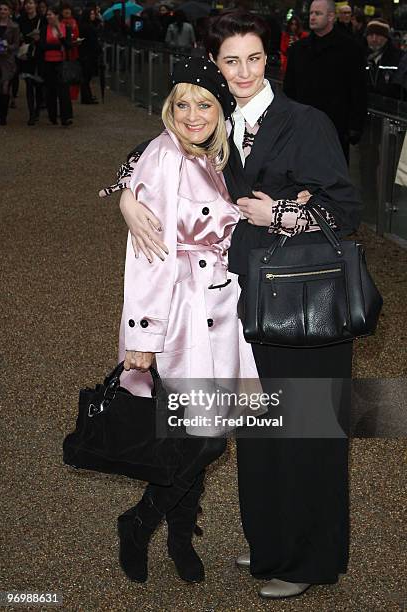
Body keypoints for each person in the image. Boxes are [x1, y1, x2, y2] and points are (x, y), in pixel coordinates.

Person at [101, 10, 362, 600]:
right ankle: (272, 543)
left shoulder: (304, 120)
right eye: (231, 61)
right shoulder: (216, 126)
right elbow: (150, 154)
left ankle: (310, 558)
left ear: (270, 60)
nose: (243, 71)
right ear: (216, 68)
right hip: (245, 310)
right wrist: (125, 197)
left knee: (309, 434)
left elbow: (345, 210)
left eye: (254, 58)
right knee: (262, 436)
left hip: (303, 311)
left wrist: (284, 216)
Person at [110, 56, 264, 586]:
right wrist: (142, 336)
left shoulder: (210, 157)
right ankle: (141, 521)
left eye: (204, 104)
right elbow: (148, 255)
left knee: (198, 431)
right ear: (168, 109)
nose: (193, 114)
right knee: (206, 437)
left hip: (217, 309)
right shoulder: (164, 155)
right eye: (182, 104)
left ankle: (177, 533)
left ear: (219, 110)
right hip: (180, 316)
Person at [283, 0, 367, 163]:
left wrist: (355, 126)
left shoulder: (350, 49)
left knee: (333, 179)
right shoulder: (298, 50)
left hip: (336, 128)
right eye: (311, 13)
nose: (312, 17)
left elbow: (358, 90)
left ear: (331, 17)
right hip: (302, 128)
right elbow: (289, 89)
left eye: (318, 13)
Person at [39, 6, 72, 126]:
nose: (48, 17)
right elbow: (42, 46)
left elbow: (68, 46)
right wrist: (58, 47)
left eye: (50, 14)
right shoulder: (44, 29)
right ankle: (52, 115)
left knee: (64, 90)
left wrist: (61, 38)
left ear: (57, 15)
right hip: (48, 62)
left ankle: (66, 117)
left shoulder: (65, 28)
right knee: (50, 89)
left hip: (61, 62)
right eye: (47, 15)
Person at [18, 0, 43, 125]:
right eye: (27, 3)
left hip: (38, 55)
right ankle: (31, 113)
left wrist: (39, 37)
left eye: (31, 3)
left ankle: (37, 109)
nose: (29, 5)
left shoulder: (42, 19)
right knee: (28, 84)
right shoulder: (21, 20)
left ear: (35, 5)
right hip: (27, 55)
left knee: (38, 85)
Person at [366, 19, 404, 99]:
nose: (374, 39)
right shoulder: (360, 56)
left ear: (386, 38)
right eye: (371, 35)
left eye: (378, 35)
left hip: (389, 108)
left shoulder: (399, 58)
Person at [79, 6, 101, 104]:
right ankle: (86, 97)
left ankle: (87, 96)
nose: (93, 16)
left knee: (86, 76)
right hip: (88, 53)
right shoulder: (87, 27)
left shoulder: (86, 25)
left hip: (87, 53)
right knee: (86, 76)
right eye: (91, 14)